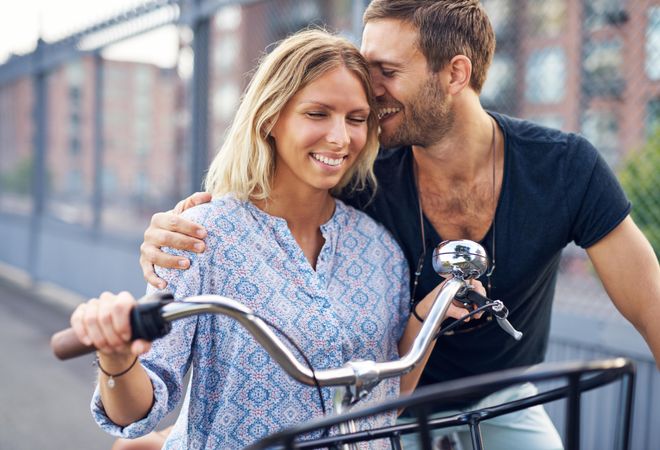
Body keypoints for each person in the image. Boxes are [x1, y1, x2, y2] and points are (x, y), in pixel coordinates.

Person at [140, 1, 660, 449]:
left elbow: (650, 304)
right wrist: (176, 230)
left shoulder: (564, 167)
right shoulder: (359, 173)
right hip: (379, 405)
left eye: (386, 70)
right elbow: (260, 213)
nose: (371, 89)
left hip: (503, 395)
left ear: (455, 74)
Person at [71, 29, 473, 450]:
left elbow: (388, 398)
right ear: (270, 118)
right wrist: (116, 357)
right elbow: (137, 411)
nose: (340, 138)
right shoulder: (202, 236)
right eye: (317, 114)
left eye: (356, 119)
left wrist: (430, 314)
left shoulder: (380, 249)